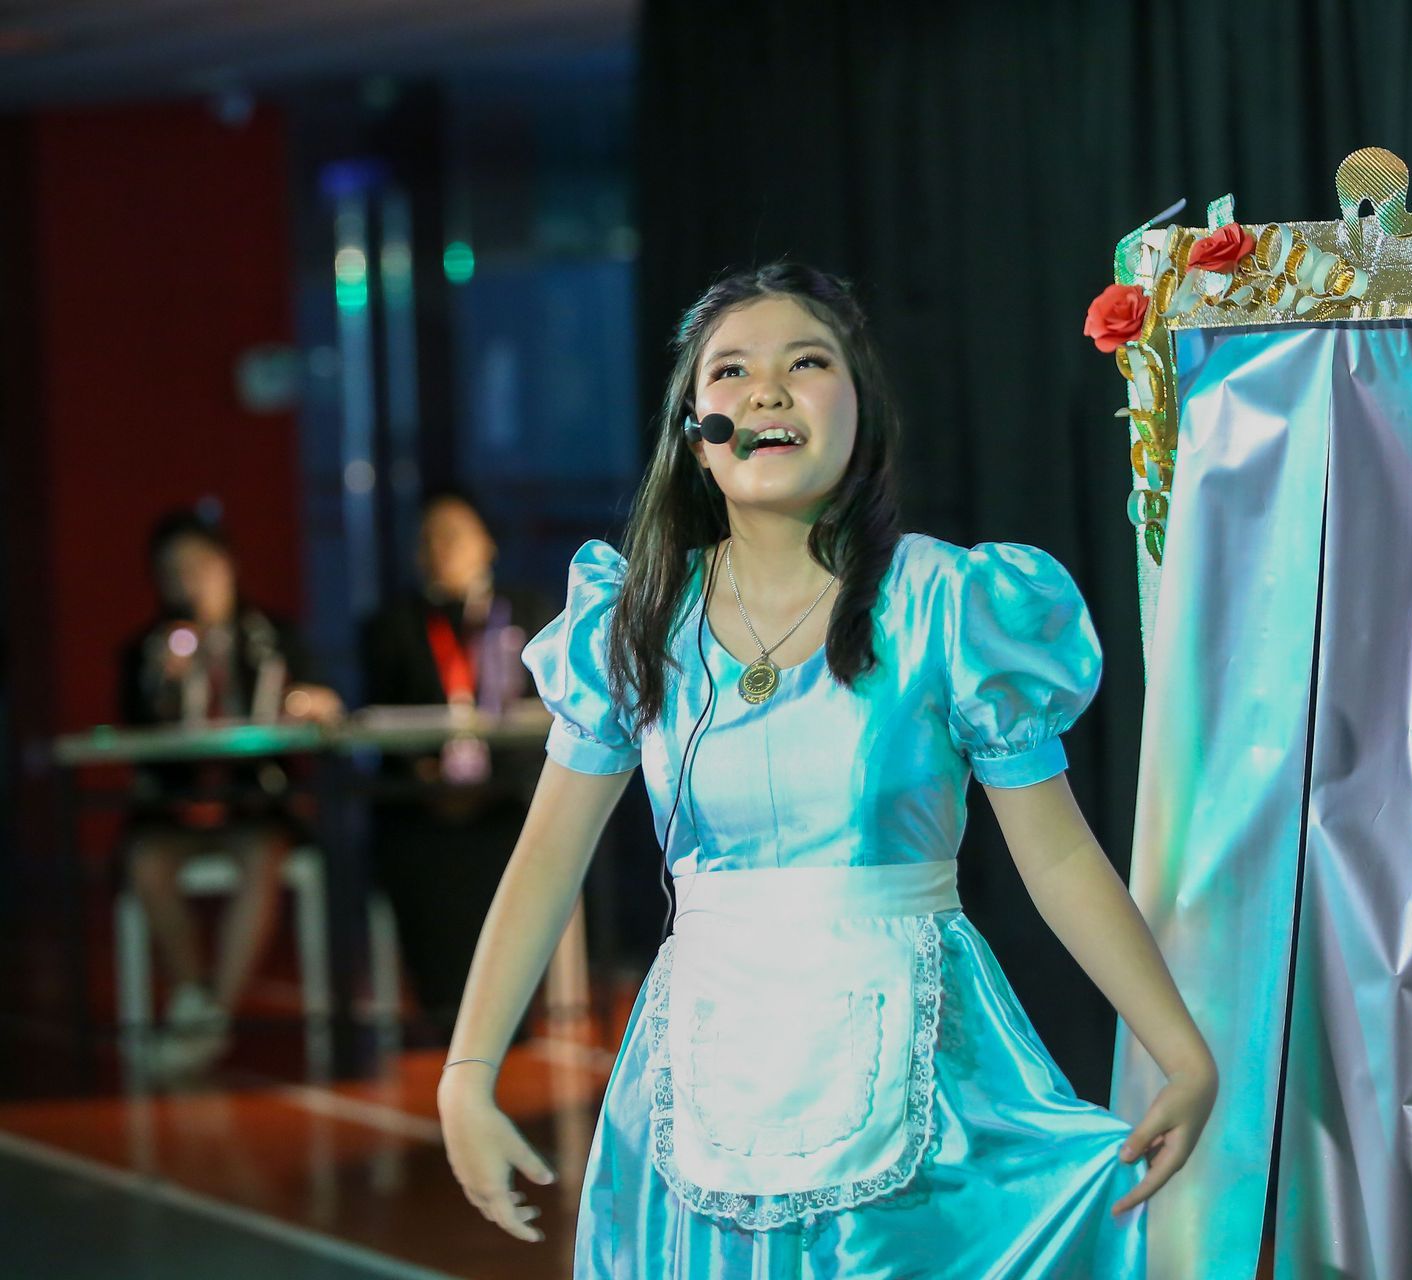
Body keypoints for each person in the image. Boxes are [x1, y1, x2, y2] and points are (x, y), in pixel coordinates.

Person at [436, 264, 1217, 1277]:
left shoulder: (949, 604)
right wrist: (468, 1067)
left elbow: (1059, 850)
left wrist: (1178, 1046)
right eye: (732, 371)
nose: (768, 390)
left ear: (862, 406)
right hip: (697, 1085)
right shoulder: (635, 619)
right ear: (693, 427)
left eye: (807, 362)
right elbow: (548, 855)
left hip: (931, 1081)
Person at [117, 509, 343, 1077]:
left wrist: (312, 703)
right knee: (146, 863)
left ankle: (210, 1016)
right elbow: (132, 737)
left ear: (228, 567)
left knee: (262, 858)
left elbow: (320, 703)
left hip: (252, 806)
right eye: (174, 571)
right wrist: (161, 686)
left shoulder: (272, 636)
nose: (189, 581)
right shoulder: (145, 650)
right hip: (175, 811)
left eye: (199, 565)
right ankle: (195, 996)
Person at [359, 489, 550, 1041]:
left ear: (486, 543)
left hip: (505, 791)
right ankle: (444, 1010)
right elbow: (383, 718)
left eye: (453, 534)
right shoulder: (391, 626)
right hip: (424, 799)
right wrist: (427, 774)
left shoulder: (529, 613)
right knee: (410, 849)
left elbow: (548, 711)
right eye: (428, 539)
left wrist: (492, 778)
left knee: (525, 841)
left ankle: (512, 1012)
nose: (440, 549)